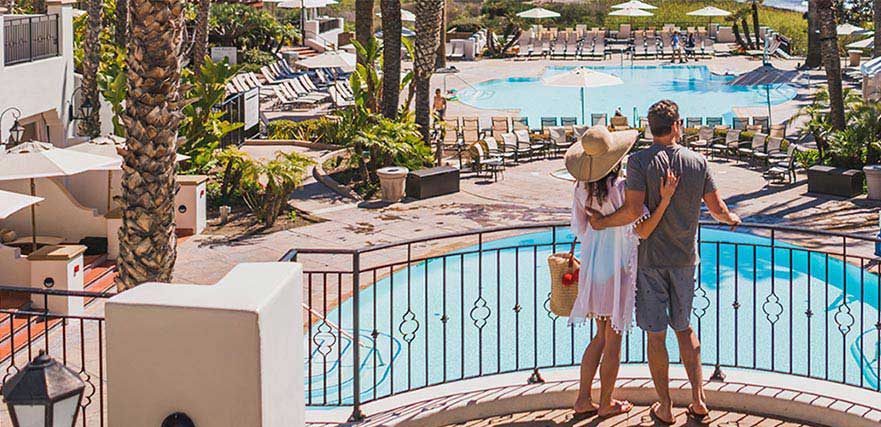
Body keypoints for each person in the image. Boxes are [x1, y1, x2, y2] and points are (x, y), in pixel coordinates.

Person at [587, 100, 741, 425]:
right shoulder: (697, 162)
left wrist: (602, 223)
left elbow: (632, 211)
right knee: (684, 329)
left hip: (650, 262)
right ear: (676, 125)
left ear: (650, 127)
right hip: (684, 260)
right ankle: (698, 400)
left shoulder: (639, 161)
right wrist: (731, 218)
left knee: (656, 336)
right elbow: (717, 208)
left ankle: (666, 406)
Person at [566, 126, 680, 418]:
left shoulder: (581, 189)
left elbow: (580, 227)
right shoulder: (621, 188)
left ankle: (582, 399)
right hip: (617, 269)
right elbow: (641, 225)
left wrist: (601, 221)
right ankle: (605, 402)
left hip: (594, 267)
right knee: (613, 339)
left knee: (600, 337)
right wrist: (665, 200)